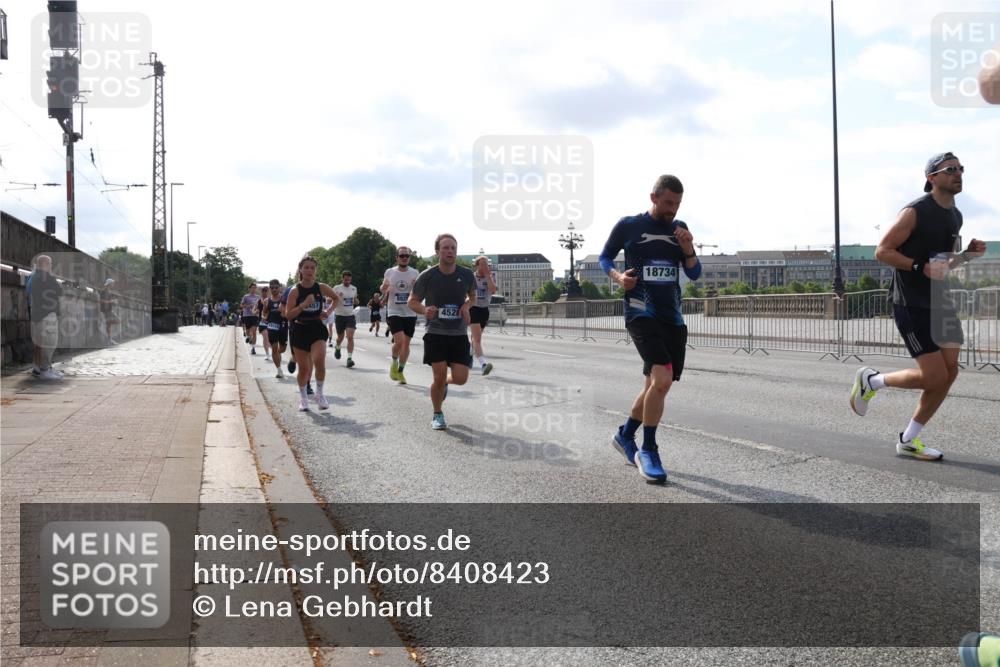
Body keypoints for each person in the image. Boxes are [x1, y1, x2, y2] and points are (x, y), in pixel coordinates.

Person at [850, 152, 986, 461]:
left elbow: (942, 263)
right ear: (932, 178)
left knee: (950, 373)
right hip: (911, 302)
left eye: (961, 168)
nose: (958, 173)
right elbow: (882, 251)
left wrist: (965, 256)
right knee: (934, 376)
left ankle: (909, 439)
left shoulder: (956, 216)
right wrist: (916, 267)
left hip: (941, 300)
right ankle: (871, 381)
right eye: (950, 169)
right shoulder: (915, 211)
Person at [599, 174, 702, 484]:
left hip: (672, 317)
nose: (673, 209)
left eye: (678, 204)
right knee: (662, 379)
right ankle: (649, 449)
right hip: (640, 311)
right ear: (654, 197)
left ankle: (625, 435)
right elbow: (605, 256)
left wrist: (688, 248)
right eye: (668, 202)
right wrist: (617, 277)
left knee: (654, 387)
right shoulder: (629, 225)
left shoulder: (678, 229)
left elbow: (695, 274)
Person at [408, 234, 477, 430]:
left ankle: (446, 383)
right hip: (436, 333)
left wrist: (466, 306)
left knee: (461, 378)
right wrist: (424, 310)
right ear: (437, 251)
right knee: (437, 377)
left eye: (453, 248)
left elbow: (473, 296)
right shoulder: (428, 275)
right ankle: (437, 413)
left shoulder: (466, 275)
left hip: (458, 333)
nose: (450, 251)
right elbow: (412, 301)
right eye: (445, 248)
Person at [286, 256, 338, 411]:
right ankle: (303, 398)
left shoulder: (321, 287)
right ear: (301, 270)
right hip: (300, 330)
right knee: (304, 369)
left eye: (312, 268)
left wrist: (328, 311)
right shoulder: (295, 291)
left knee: (319, 360)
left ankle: (320, 394)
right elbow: (289, 315)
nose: (309, 270)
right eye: (306, 267)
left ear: (315, 270)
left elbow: (336, 299)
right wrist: (303, 305)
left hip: (317, 328)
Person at [381, 246, 420, 384]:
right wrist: (385, 287)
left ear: (409, 258)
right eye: (402, 255)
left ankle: (401, 371)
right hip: (394, 311)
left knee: (406, 344)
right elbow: (382, 288)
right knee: (399, 341)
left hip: (410, 312)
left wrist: (417, 286)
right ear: (396, 257)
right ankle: (394, 362)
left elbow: (420, 293)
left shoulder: (415, 272)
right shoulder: (390, 272)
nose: (404, 258)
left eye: (407, 256)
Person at [28, 254, 64, 380]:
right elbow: (60, 291)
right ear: (46, 264)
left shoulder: (33, 277)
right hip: (47, 314)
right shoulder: (47, 277)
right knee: (49, 342)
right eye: (50, 264)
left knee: (38, 343)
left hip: (36, 314)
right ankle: (45, 370)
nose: (51, 266)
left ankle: (37, 368)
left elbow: (29, 291)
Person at [469, 255, 498, 375]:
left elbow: (493, 291)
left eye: (487, 264)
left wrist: (488, 277)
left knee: (476, 337)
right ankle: (483, 364)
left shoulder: (491, 276)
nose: (485, 266)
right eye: (482, 264)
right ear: (477, 265)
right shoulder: (471, 277)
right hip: (473, 308)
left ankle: (469, 353)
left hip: (484, 309)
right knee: (477, 339)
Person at [332, 270, 358, 367]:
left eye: (349, 280)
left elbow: (354, 300)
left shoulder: (354, 289)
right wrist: (337, 297)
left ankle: (349, 359)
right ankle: (338, 347)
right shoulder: (337, 288)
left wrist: (356, 300)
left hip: (350, 316)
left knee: (350, 336)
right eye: (345, 279)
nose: (347, 281)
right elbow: (328, 299)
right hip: (339, 316)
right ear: (342, 278)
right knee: (340, 337)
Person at [263, 279, 288, 378]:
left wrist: (284, 313)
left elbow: (289, 312)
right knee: (274, 349)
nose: (274, 289)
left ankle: (277, 355)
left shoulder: (284, 299)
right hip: (272, 326)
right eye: (272, 287)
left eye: (276, 287)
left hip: (283, 325)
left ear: (280, 287)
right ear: (270, 288)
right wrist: (264, 317)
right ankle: (279, 370)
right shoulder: (267, 301)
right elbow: (264, 313)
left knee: (282, 349)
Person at [240, 283, 261, 353]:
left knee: (254, 331)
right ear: (249, 288)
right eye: (252, 288)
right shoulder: (246, 296)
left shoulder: (258, 297)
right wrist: (249, 306)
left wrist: (258, 309)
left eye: (255, 288)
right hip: (247, 316)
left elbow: (260, 306)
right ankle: (248, 337)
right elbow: (242, 305)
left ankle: (253, 348)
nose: (253, 289)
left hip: (255, 316)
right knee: (248, 332)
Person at [99, 278, 120, 345]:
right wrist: (110, 301)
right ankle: (109, 339)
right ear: (109, 284)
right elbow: (101, 301)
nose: (113, 285)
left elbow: (109, 301)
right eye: (112, 283)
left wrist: (114, 302)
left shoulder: (109, 292)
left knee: (110, 324)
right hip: (105, 310)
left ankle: (109, 339)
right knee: (117, 321)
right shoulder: (103, 291)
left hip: (109, 310)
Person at [257, 286, 271, 359]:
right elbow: (254, 309)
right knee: (265, 336)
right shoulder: (259, 301)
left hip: (270, 321)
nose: (264, 293)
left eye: (266, 291)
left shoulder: (271, 300)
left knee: (269, 338)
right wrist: (254, 311)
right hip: (262, 321)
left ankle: (273, 349)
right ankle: (267, 354)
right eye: (263, 291)